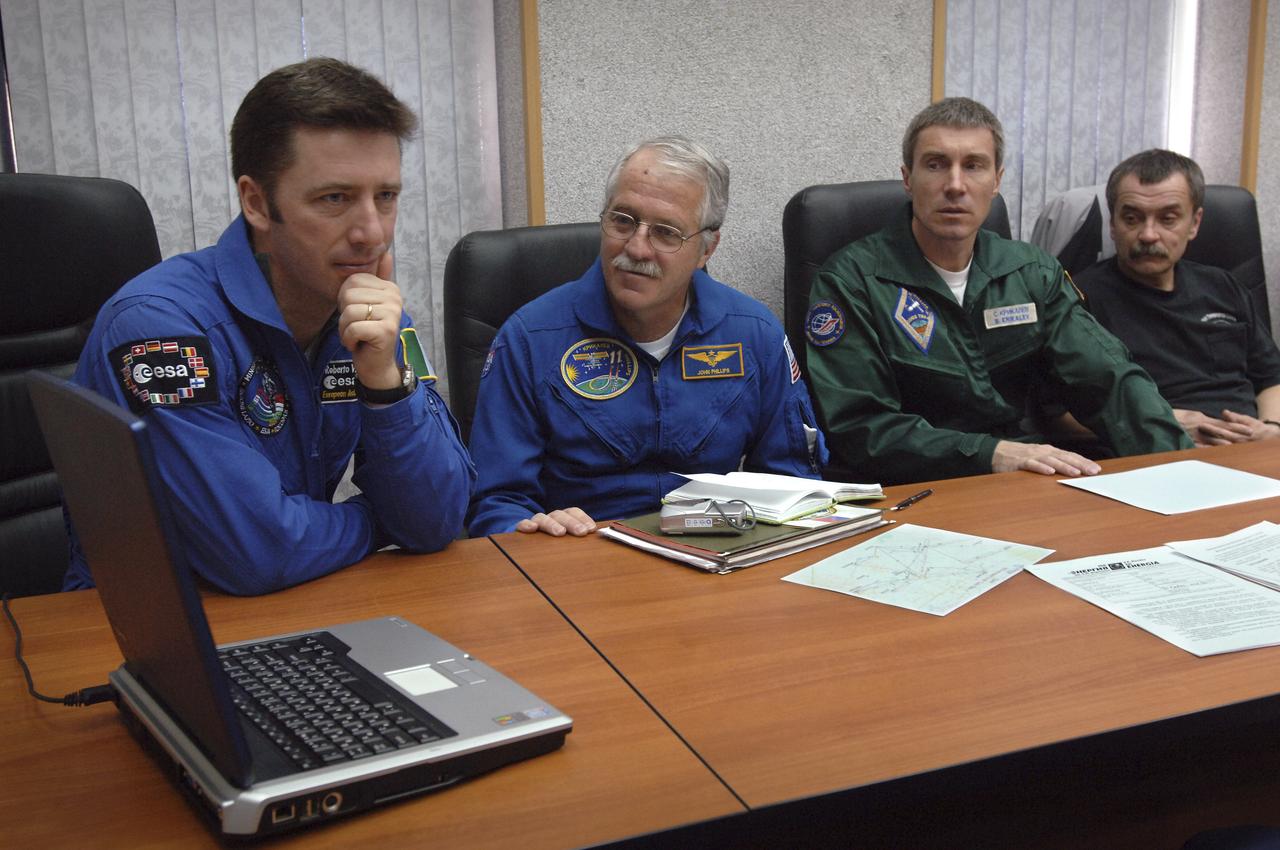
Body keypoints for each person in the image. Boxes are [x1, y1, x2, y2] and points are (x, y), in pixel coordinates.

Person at [64, 58, 475, 595]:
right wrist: (379, 522)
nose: (372, 233)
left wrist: (382, 377)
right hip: (146, 634)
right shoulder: (158, 330)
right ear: (257, 203)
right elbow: (258, 552)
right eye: (335, 198)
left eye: (386, 197)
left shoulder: (371, 314)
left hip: (298, 606)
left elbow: (436, 521)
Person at [805, 97, 1189, 486]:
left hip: (1023, 481)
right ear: (908, 178)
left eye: (973, 166)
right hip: (912, 491)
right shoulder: (851, 281)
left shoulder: (1032, 273)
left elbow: (1109, 380)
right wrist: (991, 453)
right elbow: (861, 428)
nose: (955, 186)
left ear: (996, 181)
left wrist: (1184, 469)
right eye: (936, 164)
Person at [466, 136, 827, 537]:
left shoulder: (753, 334)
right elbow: (495, 505)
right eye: (622, 220)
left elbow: (794, 483)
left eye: (667, 232)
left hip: (716, 555)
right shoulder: (530, 338)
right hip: (581, 562)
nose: (637, 247)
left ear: (707, 249)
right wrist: (530, 528)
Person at [1075, 149, 1280, 446]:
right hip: (1156, 452)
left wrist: (1271, 429)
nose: (1148, 234)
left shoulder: (1224, 286)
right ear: (1113, 223)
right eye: (1132, 218)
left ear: (1194, 223)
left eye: (1167, 219)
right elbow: (1054, 411)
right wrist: (1158, 423)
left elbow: (1271, 378)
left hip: (1250, 449)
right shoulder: (1079, 299)